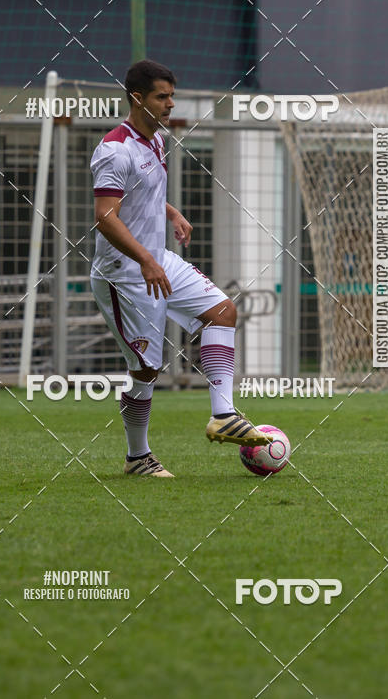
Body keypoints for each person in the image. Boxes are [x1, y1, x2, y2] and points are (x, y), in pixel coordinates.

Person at [90, 59, 268, 477]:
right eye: (161, 96)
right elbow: (105, 215)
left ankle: (224, 414)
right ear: (138, 98)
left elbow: (137, 194)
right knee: (147, 370)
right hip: (123, 273)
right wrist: (147, 259)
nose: (170, 104)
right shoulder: (115, 149)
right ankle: (138, 457)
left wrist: (169, 212)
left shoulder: (154, 140)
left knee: (223, 310)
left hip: (157, 258)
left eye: (172, 95)